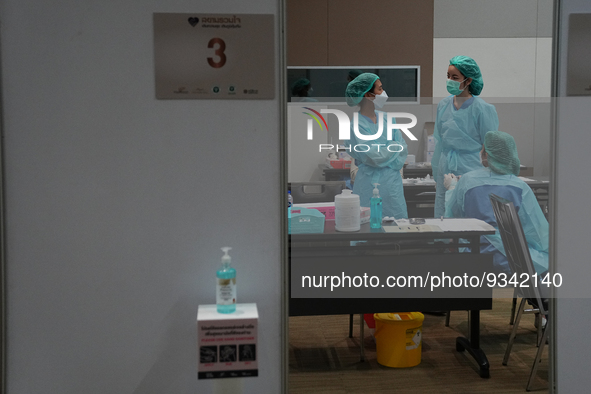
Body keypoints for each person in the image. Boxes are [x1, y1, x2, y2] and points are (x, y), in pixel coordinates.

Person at [444, 131, 549, 276]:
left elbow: (453, 218)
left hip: (473, 257)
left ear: (487, 155)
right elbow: (539, 233)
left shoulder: (467, 181)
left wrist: (452, 189)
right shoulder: (520, 187)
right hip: (512, 263)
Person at [432, 55, 499, 218]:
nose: (450, 80)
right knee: (444, 206)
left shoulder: (483, 109)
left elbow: (490, 145)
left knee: (468, 208)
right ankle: (445, 242)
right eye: (448, 76)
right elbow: (440, 140)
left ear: (468, 80)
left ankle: (467, 243)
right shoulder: (443, 105)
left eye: (455, 77)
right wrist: (437, 169)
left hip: (471, 166)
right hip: (446, 164)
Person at [345, 73, 408, 219]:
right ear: (368, 94)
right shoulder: (356, 125)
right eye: (379, 89)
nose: (383, 92)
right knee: (367, 229)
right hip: (368, 185)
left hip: (392, 186)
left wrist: (384, 152)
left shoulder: (386, 118)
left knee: (396, 229)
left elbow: (403, 149)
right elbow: (373, 157)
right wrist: (392, 147)